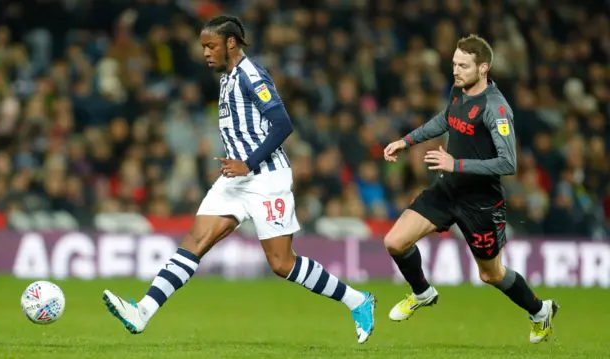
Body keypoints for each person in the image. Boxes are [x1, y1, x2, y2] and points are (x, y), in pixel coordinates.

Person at [102, 15, 376, 344]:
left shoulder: (251, 75)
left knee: (282, 264)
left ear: (230, 43)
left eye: (211, 46)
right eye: (203, 46)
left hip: (266, 179)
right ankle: (143, 311)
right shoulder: (226, 79)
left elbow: (282, 124)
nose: (205, 52)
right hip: (235, 179)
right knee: (195, 241)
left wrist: (248, 163)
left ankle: (358, 301)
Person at [382, 34, 558, 344]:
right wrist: (406, 141)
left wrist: (455, 164)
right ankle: (422, 292)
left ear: (483, 68)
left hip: (480, 204)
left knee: (491, 275)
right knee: (395, 241)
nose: (456, 70)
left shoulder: (496, 109)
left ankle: (540, 311)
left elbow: (508, 164)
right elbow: (445, 119)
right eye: (454, 64)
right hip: (448, 191)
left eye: (463, 65)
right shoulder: (458, 90)